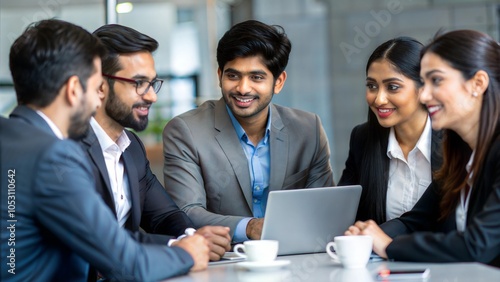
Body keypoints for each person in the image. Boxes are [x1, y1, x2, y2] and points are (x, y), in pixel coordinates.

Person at [0, 19, 209, 281]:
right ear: (75, 89)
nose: (99, 96)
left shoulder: (9, 137)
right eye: (96, 85)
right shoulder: (53, 155)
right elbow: (128, 265)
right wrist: (188, 254)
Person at [162, 19, 334, 242]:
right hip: (221, 263)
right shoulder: (186, 131)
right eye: (233, 76)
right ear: (219, 76)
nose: (243, 88)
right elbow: (186, 212)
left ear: (279, 81)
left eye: (256, 77)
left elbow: (323, 208)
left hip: (294, 256)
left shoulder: (308, 130)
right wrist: (249, 227)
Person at [345, 29, 500, 267]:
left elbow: (476, 244)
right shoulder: (461, 151)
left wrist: (388, 246)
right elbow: (417, 219)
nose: (424, 95)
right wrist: (366, 234)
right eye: (424, 82)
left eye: (436, 81)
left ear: (477, 83)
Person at [81, 24, 230, 261]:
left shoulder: (131, 147)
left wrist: (194, 237)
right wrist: (179, 244)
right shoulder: (68, 148)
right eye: (138, 83)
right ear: (100, 85)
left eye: (152, 83)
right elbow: (94, 237)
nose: (152, 96)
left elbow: (163, 216)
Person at [338, 37, 443, 224]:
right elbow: (343, 214)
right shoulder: (362, 139)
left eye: (392, 87)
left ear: (423, 88)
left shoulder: (454, 141)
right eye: (372, 86)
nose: (379, 99)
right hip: (380, 253)